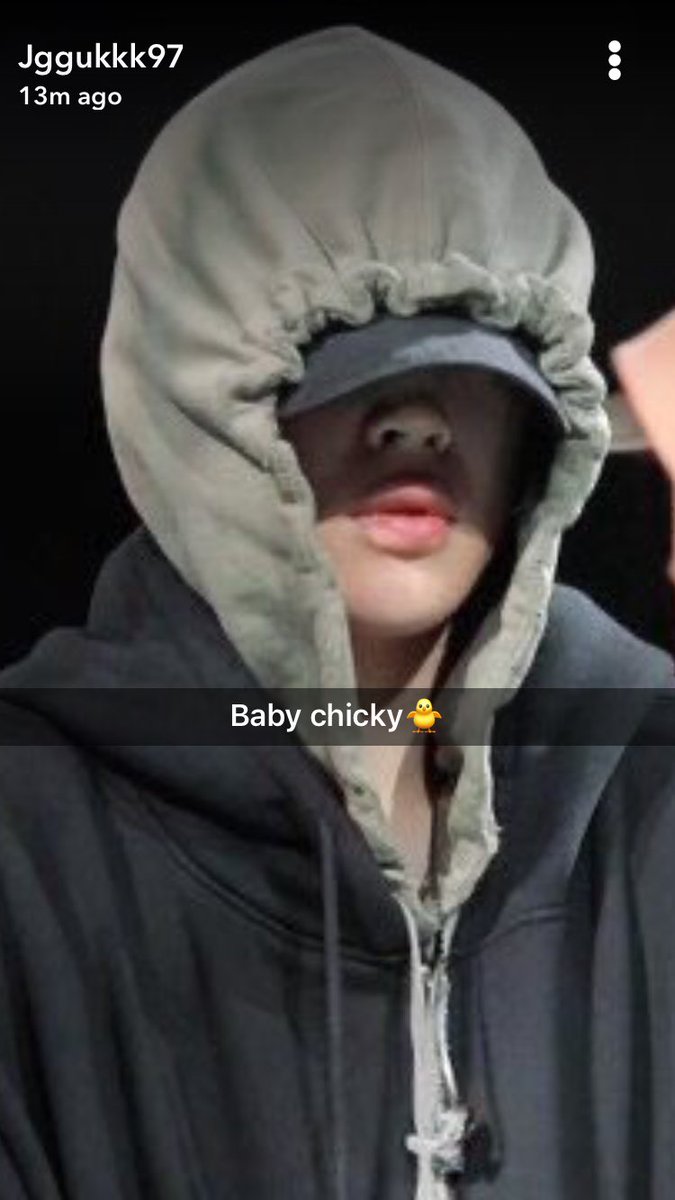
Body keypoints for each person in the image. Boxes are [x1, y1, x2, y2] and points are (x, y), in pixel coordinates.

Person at [0, 24, 673, 1200]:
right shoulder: (30, 845)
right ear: (191, 398)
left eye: (479, 360)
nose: (417, 421)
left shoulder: (651, 791)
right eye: (335, 355)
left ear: (543, 422)